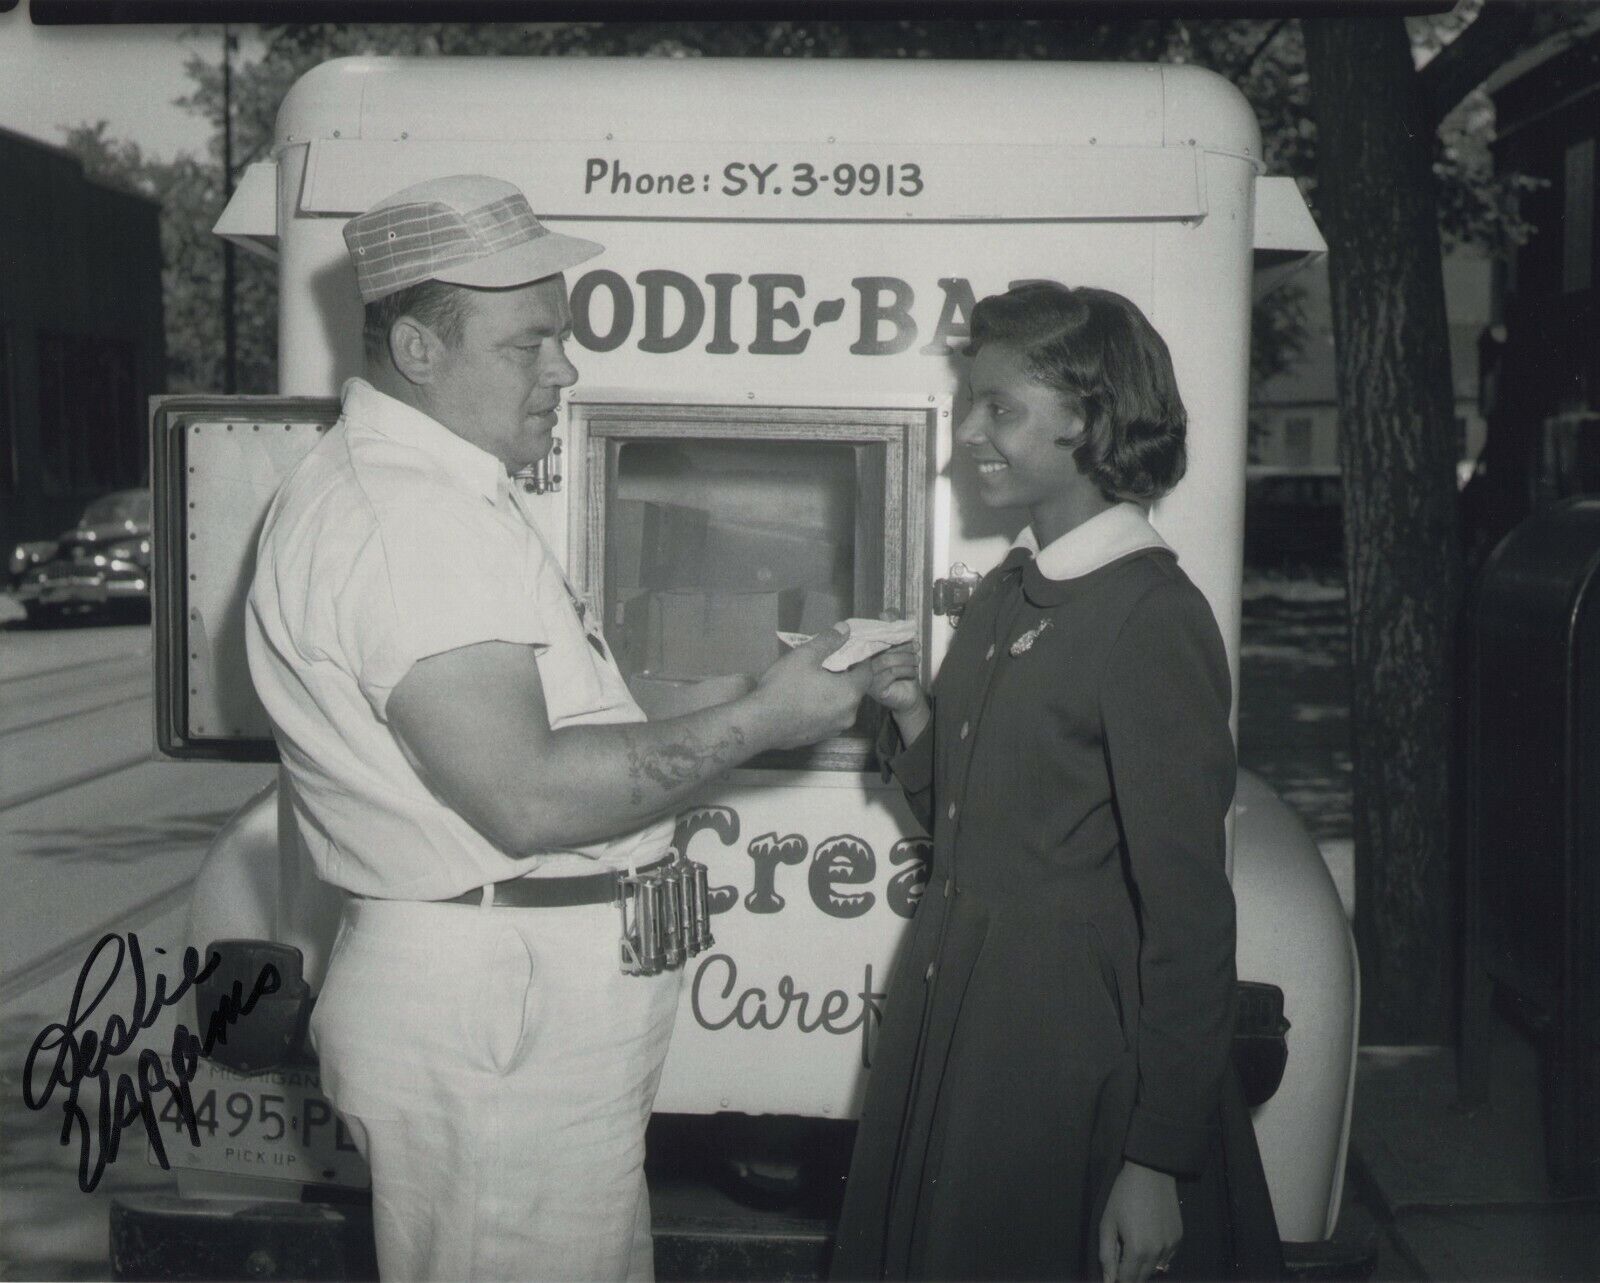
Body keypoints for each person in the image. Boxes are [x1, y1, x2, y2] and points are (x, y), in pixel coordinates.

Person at [245, 174, 871, 1283]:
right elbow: (526, 795)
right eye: (528, 343)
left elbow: (548, 723)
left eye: (562, 338)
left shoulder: (443, 492)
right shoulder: (410, 517)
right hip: (502, 1011)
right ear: (419, 348)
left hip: (521, 997)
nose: (564, 369)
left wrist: (737, 688)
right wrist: (765, 719)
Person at [829, 282, 1284, 1283]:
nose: (966, 433)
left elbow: (1189, 916)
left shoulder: (1149, 614)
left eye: (999, 407)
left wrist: (1156, 1152)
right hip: (968, 1022)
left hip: (1069, 1056)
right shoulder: (1009, 588)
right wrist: (911, 709)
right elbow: (967, 823)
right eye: (967, 405)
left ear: (1086, 417)